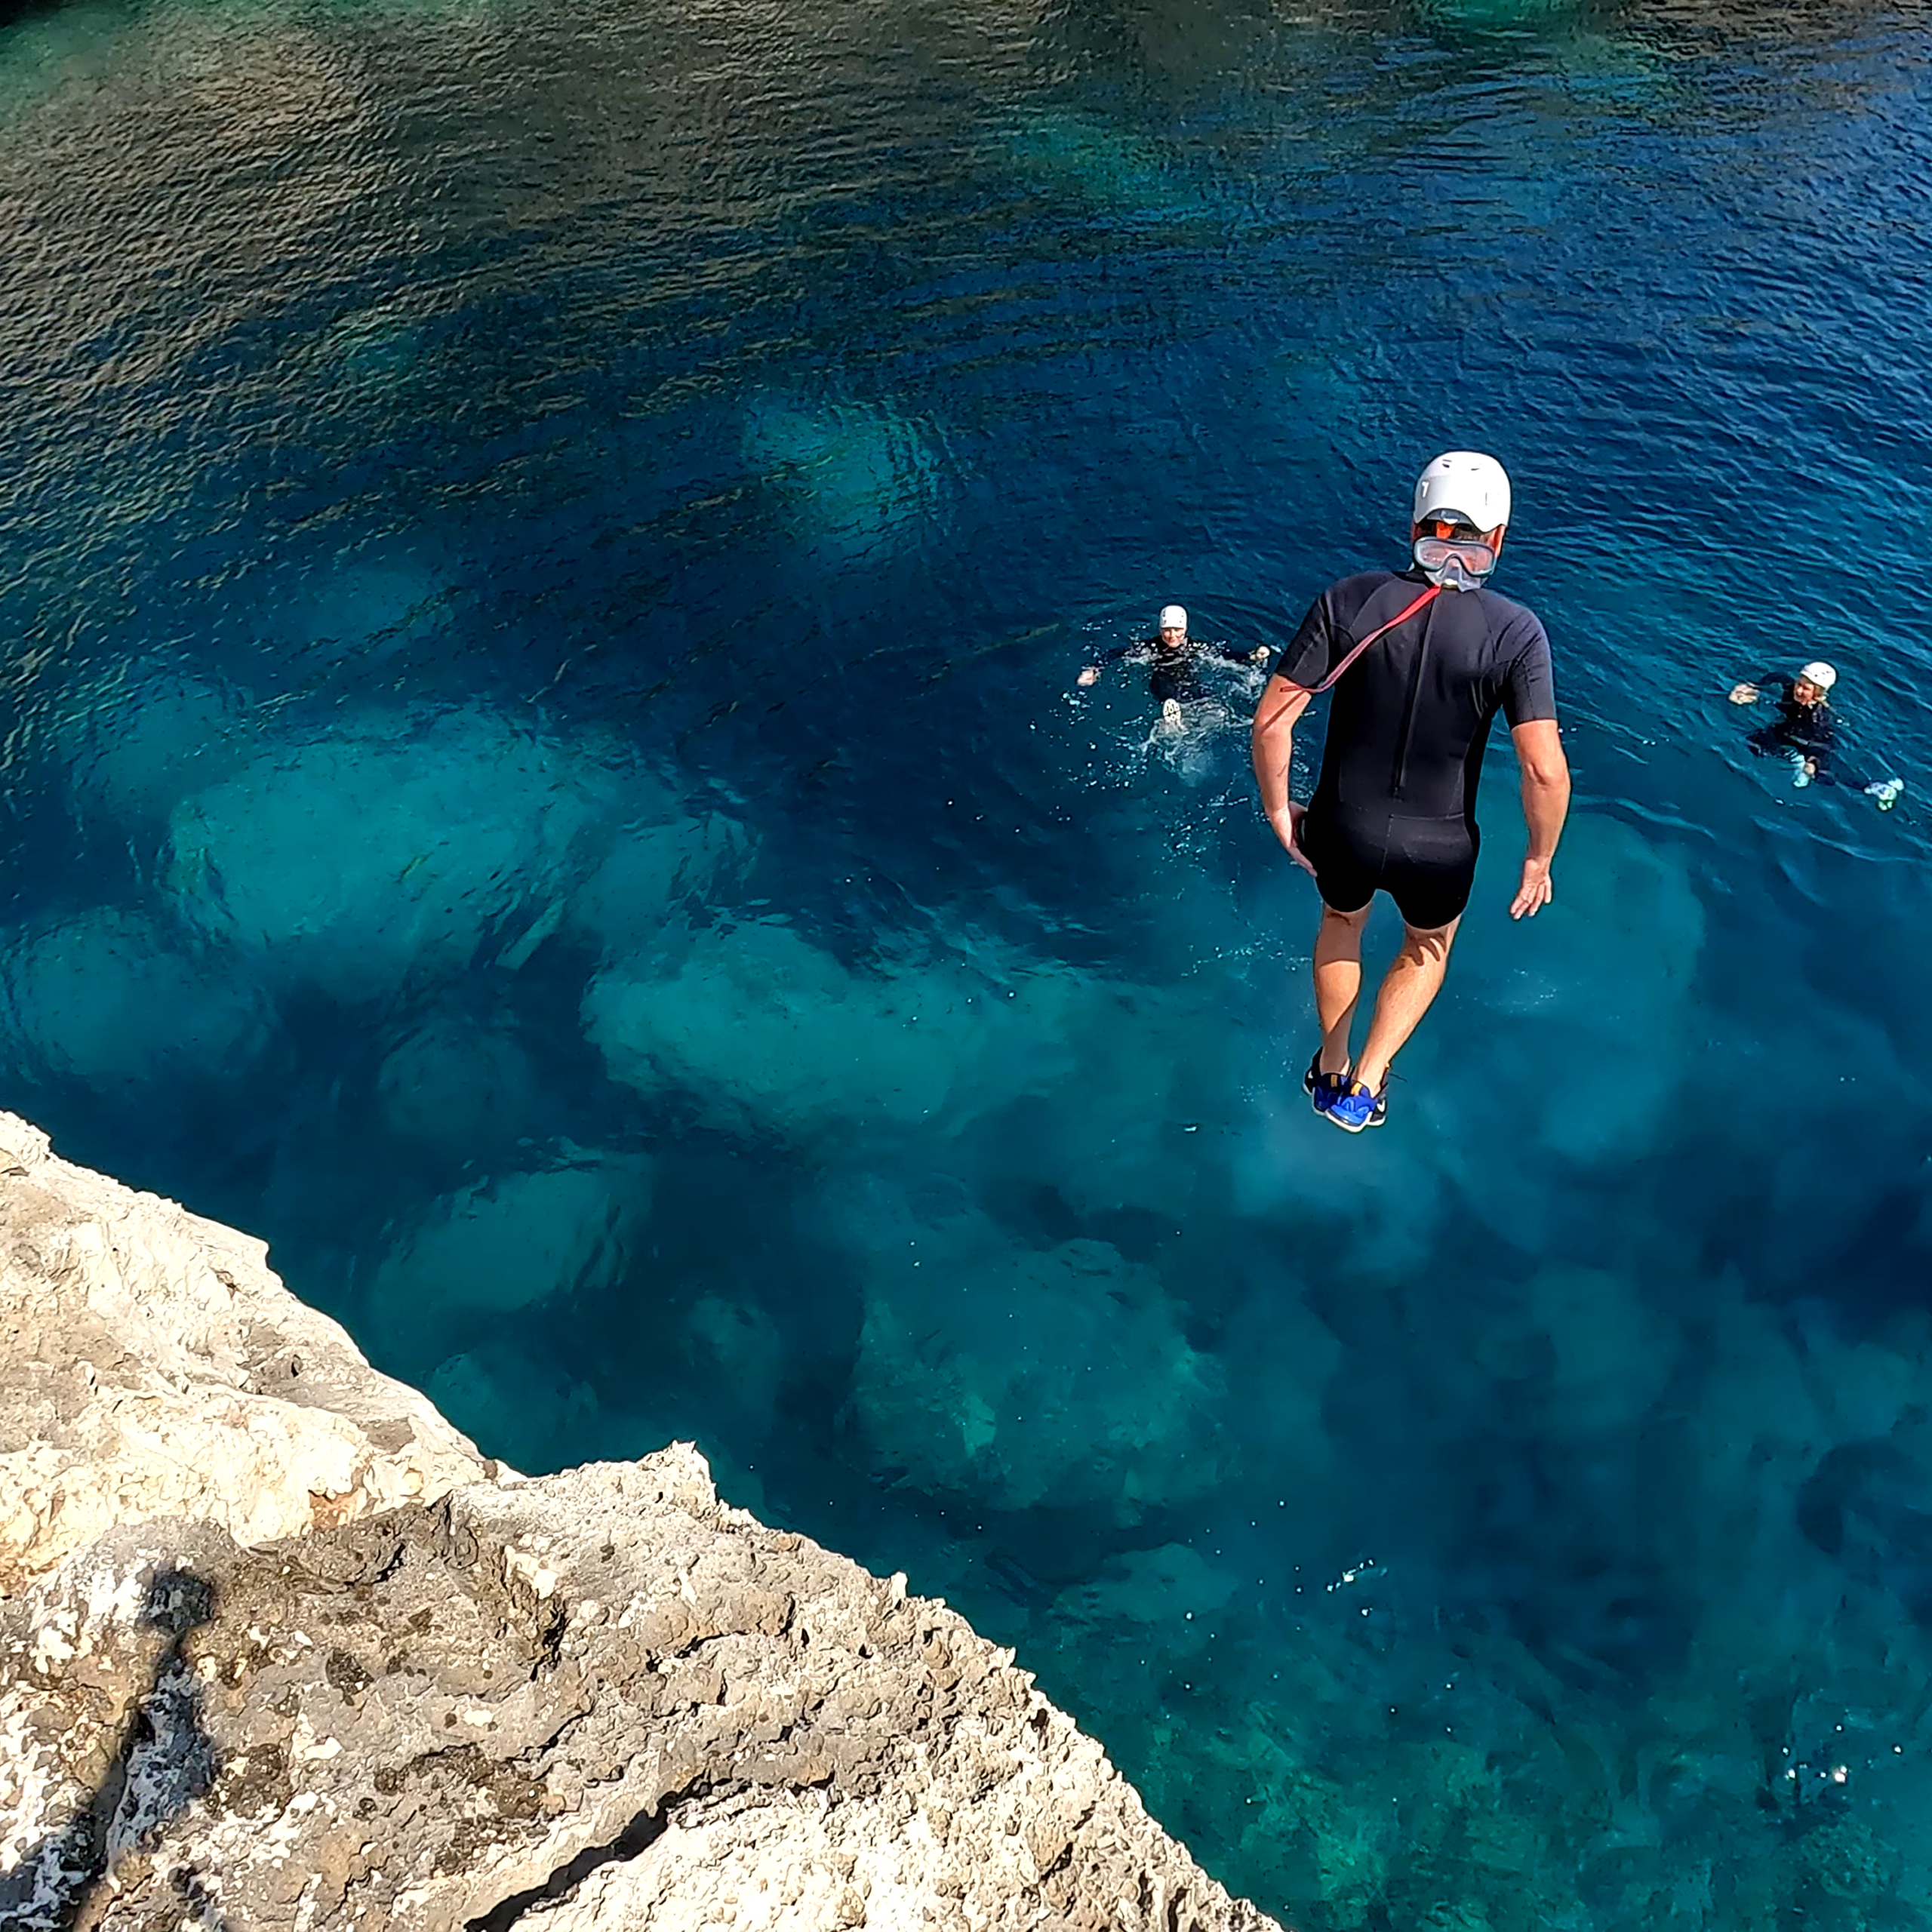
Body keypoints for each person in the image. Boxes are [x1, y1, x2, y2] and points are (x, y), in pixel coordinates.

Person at [1250, 451, 1571, 1133]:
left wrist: (1281, 812)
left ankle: (1329, 1064)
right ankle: (1365, 1087)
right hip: (1441, 845)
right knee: (1426, 946)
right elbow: (1544, 769)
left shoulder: (1349, 599)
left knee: (1342, 923)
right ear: (1499, 538)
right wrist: (1539, 858)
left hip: (1342, 828)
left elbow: (1272, 722)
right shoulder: (1516, 632)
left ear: (1414, 524)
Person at [1728, 661, 1902, 808]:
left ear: (1818, 693)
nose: (1799, 690)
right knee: (1754, 743)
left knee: (1822, 775)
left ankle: (1874, 787)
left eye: (1806, 688)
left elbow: (1823, 745)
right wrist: (1755, 686)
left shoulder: (1818, 719)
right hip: (1786, 730)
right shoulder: (1791, 690)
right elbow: (1778, 676)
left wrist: (1812, 762)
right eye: (1799, 684)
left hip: (1810, 744)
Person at [1078, 605, 1269, 727]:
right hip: (1162, 681)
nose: (1172, 635)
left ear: (1185, 629)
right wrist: (1094, 669)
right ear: (1160, 629)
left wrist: (1251, 656)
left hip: (1187, 679)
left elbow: (1223, 655)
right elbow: (1116, 652)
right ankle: (1171, 724)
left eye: (1177, 630)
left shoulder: (1193, 646)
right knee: (1168, 693)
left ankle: (1199, 722)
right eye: (1167, 630)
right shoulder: (1150, 647)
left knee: (1210, 704)